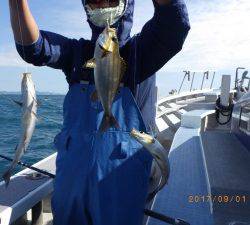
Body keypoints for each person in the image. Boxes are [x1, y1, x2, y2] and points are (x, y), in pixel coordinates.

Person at [8, 0, 190, 224]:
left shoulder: (141, 53)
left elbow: (173, 27)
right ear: (87, 8)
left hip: (120, 188)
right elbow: (35, 47)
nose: (102, 4)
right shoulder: (77, 53)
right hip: (70, 188)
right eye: (95, 0)